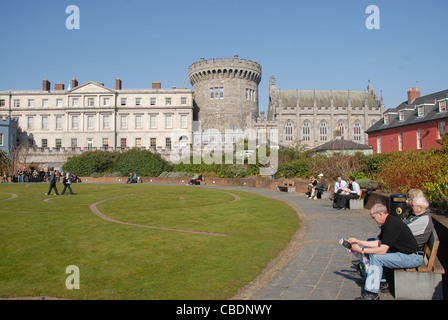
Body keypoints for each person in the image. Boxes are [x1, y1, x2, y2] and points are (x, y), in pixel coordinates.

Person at [348, 203, 423, 300]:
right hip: (405, 254)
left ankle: (372, 294)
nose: (373, 220)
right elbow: (380, 243)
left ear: (380, 213)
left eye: (373, 217)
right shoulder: (388, 222)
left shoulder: (392, 224)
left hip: (412, 257)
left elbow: (382, 250)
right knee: (374, 252)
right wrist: (359, 241)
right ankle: (381, 282)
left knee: (376, 257)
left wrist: (361, 250)